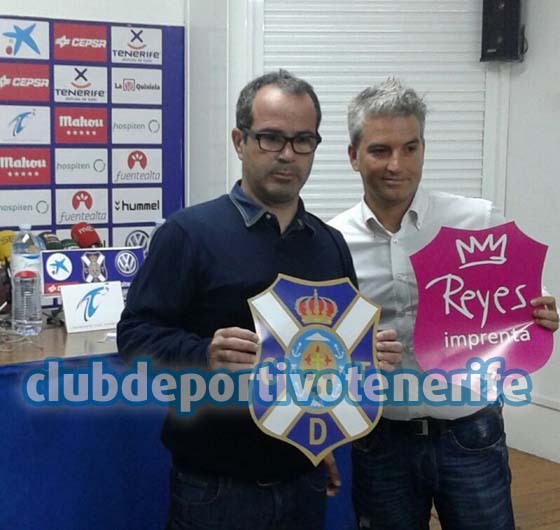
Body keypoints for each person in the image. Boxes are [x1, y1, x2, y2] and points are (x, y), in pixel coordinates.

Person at [117, 70, 402, 530]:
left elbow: (325, 360)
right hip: (216, 486)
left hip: (305, 477)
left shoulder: (329, 245)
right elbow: (135, 337)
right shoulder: (188, 234)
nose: (287, 154)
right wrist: (204, 354)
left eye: (302, 140)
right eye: (271, 138)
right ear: (240, 140)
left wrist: (364, 357)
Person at [329, 78, 559, 530]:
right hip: (381, 440)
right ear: (353, 156)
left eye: (410, 148)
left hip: (470, 432)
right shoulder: (332, 241)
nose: (397, 164)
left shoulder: (476, 220)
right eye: (380, 150)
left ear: (423, 149)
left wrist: (543, 311)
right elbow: (321, 342)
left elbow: (522, 298)